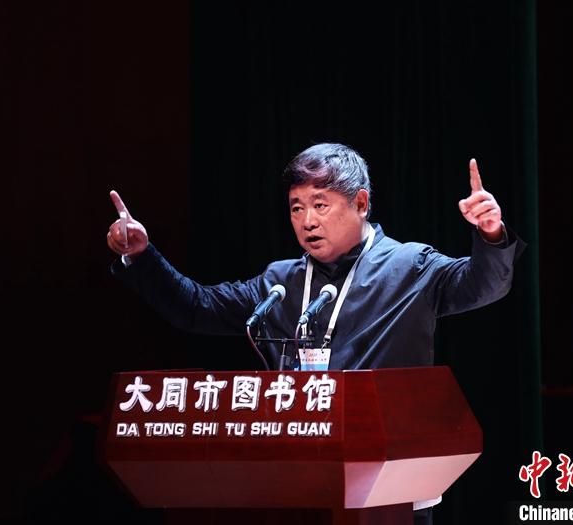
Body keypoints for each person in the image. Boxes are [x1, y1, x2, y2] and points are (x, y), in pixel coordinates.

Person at [106, 142, 525, 525]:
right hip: (294, 486)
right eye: (296, 208)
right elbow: (196, 308)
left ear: (361, 203)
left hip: (388, 491)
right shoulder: (279, 284)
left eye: (320, 205)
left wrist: (489, 232)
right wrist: (141, 257)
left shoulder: (410, 267)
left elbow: (483, 285)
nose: (307, 221)